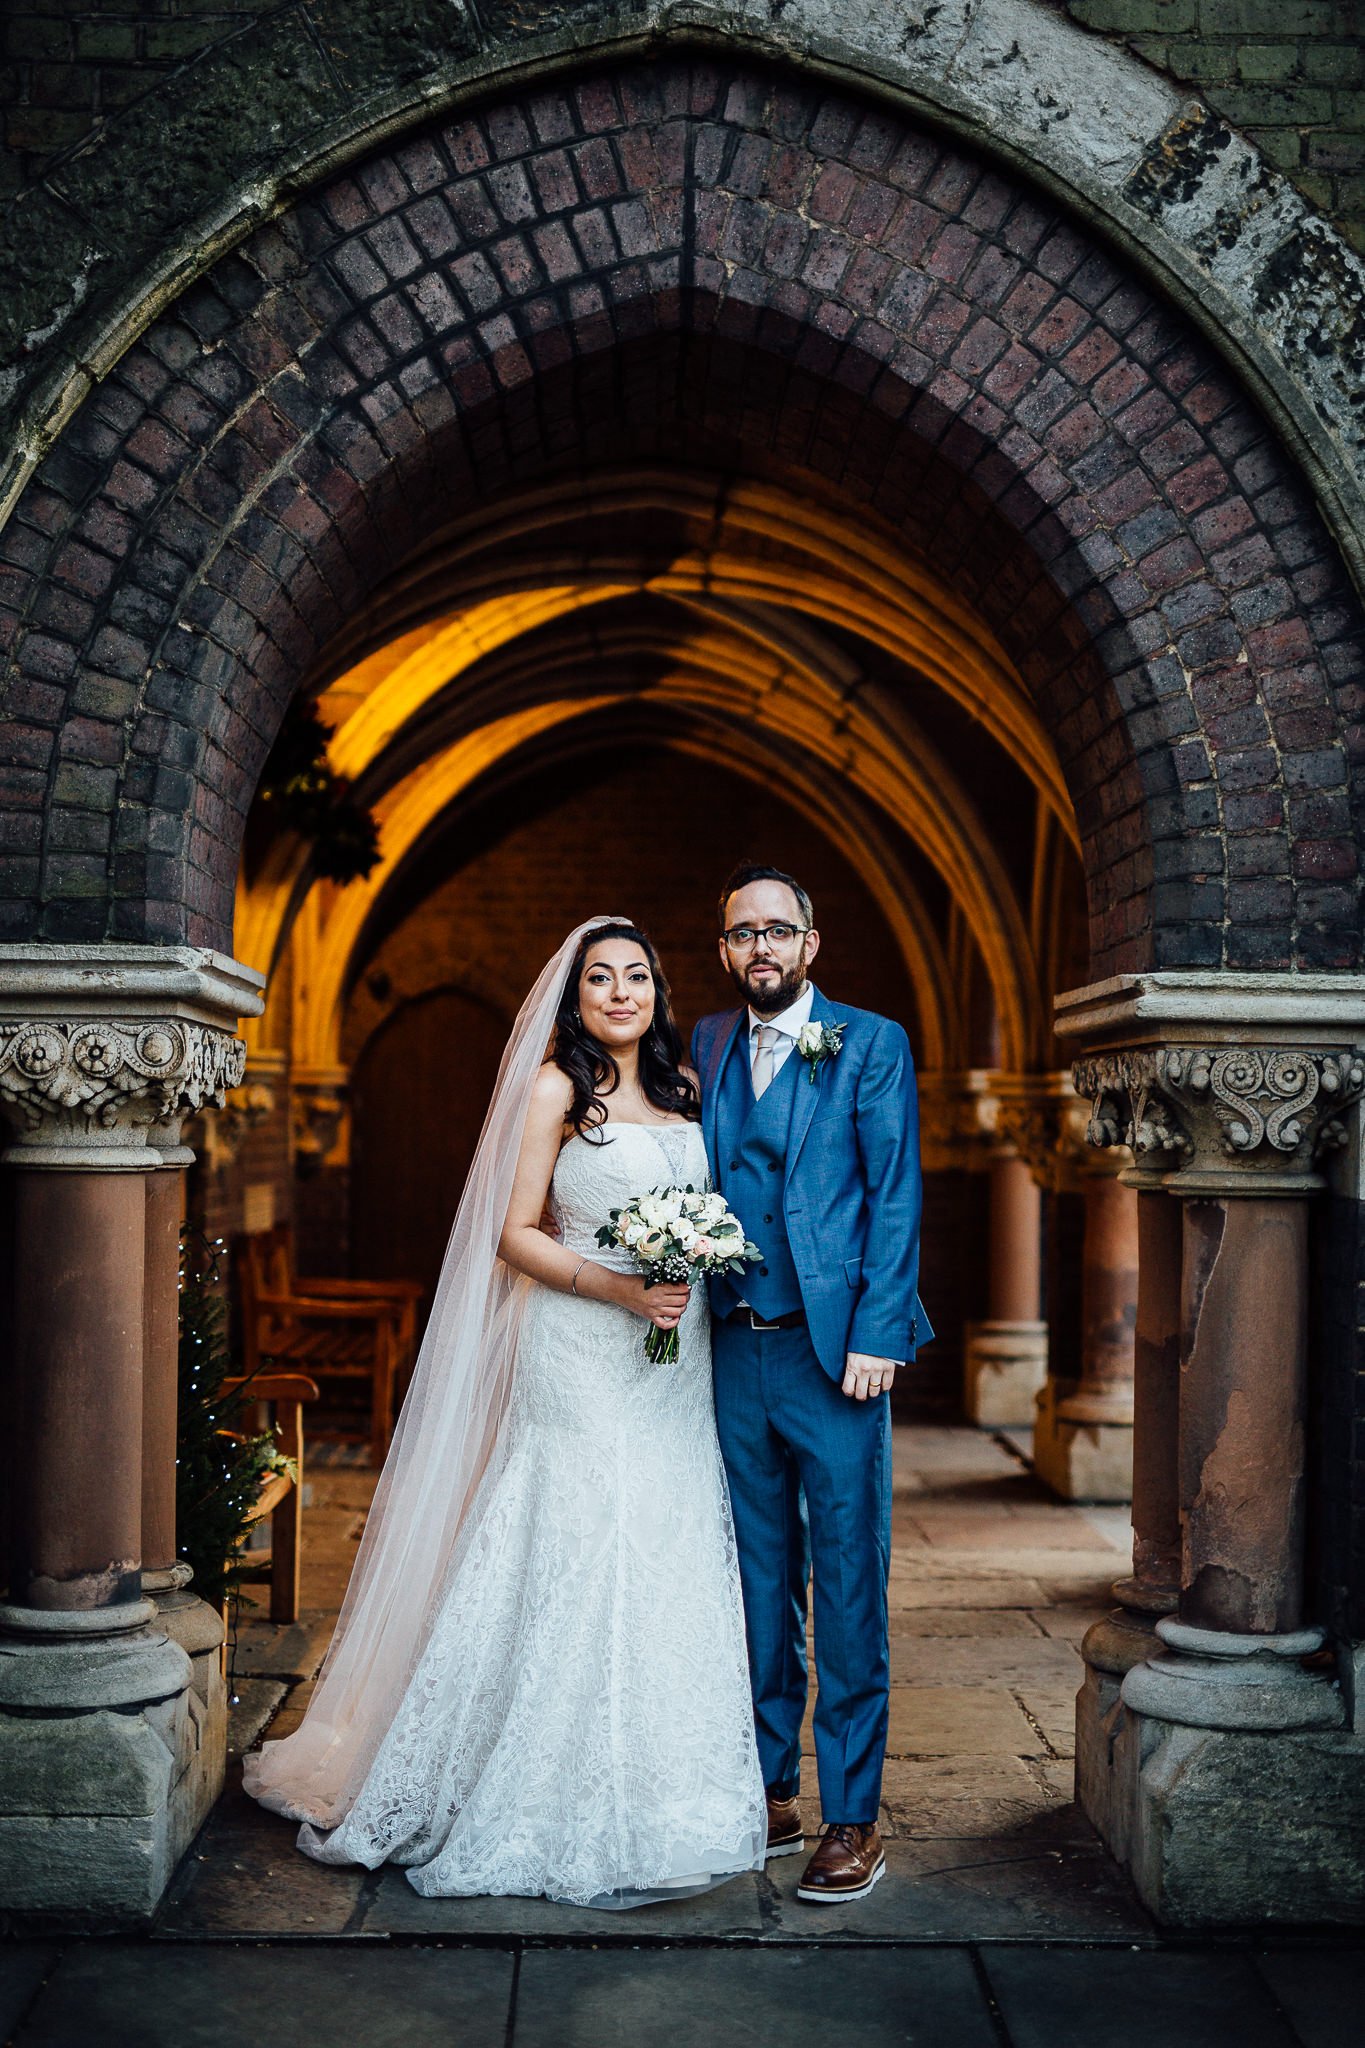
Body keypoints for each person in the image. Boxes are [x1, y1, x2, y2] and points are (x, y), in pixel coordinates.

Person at [243, 917, 765, 1907]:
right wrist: (617, 1289)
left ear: (658, 990)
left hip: (671, 1356)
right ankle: (527, 1787)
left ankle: (665, 1793)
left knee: (663, 1538)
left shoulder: (685, 1090)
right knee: (572, 1541)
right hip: (578, 1346)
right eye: (601, 978)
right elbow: (512, 1233)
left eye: (638, 976)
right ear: (573, 999)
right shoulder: (556, 1090)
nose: (622, 992)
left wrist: (683, 1266)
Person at [692, 863, 930, 1905]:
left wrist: (879, 1328)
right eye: (744, 932)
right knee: (751, 1572)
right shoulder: (702, 1043)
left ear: (811, 944)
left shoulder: (869, 1043)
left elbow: (893, 1191)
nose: (762, 948)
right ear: (724, 949)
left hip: (835, 1356)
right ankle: (769, 1782)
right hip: (730, 1346)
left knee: (844, 1577)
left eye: (778, 930)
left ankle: (852, 1815)